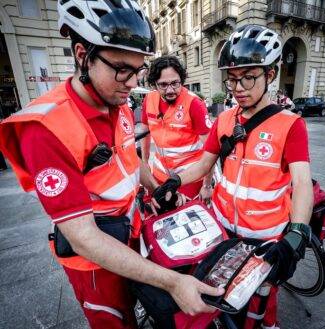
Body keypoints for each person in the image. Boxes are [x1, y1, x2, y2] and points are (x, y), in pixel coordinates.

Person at [0, 1, 223, 328]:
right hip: (95, 264)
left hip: (132, 234)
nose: (132, 82)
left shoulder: (115, 101)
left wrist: (159, 188)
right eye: (122, 68)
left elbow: (129, 158)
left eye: (138, 70)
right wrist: (173, 282)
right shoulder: (45, 129)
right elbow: (83, 237)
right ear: (82, 54)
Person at [153, 24, 313, 329]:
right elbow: (202, 164)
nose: (238, 88)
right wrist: (173, 180)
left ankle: (269, 323)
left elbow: (302, 182)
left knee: (263, 293)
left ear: (270, 74)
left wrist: (296, 233)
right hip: (224, 228)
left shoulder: (291, 125)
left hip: (266, 236)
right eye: (233, 79)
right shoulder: (225, 119)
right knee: (224, 295)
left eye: (249, 78)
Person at [141, 55, 214, 201]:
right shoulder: (149, 99)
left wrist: (206, 185)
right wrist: (144, 163)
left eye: (175, 83)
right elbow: (144, 133)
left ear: (182, 80)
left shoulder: (194, 104)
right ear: (154, 84)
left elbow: (211, 150)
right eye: (163, 85)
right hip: (159, 176)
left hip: (189, 179)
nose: (170, 90)